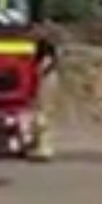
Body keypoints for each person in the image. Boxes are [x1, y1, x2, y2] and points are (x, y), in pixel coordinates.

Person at [30, 32, 60, 161]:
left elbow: (43, 68)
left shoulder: (44, 53)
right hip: (47, 79)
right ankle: (39, 146)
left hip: (45, 80)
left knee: (42, 115)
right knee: (42, 114)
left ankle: (44, 148)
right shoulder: (50, 51)